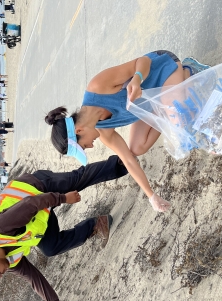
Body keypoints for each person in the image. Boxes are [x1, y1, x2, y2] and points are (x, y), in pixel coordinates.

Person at [0, 156, 129, 301]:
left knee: (78, 180)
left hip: (37, 187)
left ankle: (122, 163)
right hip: (40, 215)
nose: (1, 276)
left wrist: (63, 198)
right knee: (50, 248)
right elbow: (33, 278)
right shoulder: (6, 262)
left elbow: (30, 204)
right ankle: (98, 224)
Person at [45, 51, 210, 212]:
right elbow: (129, 160)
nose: (90, 147)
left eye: (83, 146)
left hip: (162, 70)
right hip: (152, 101)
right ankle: (169, 106)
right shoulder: (104, 132)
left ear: (79, 129)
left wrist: (137, 79)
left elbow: (143, 61)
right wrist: (151, 196)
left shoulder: (97, 87)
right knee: (137, 148)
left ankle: (188, 71)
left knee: (180, 119)